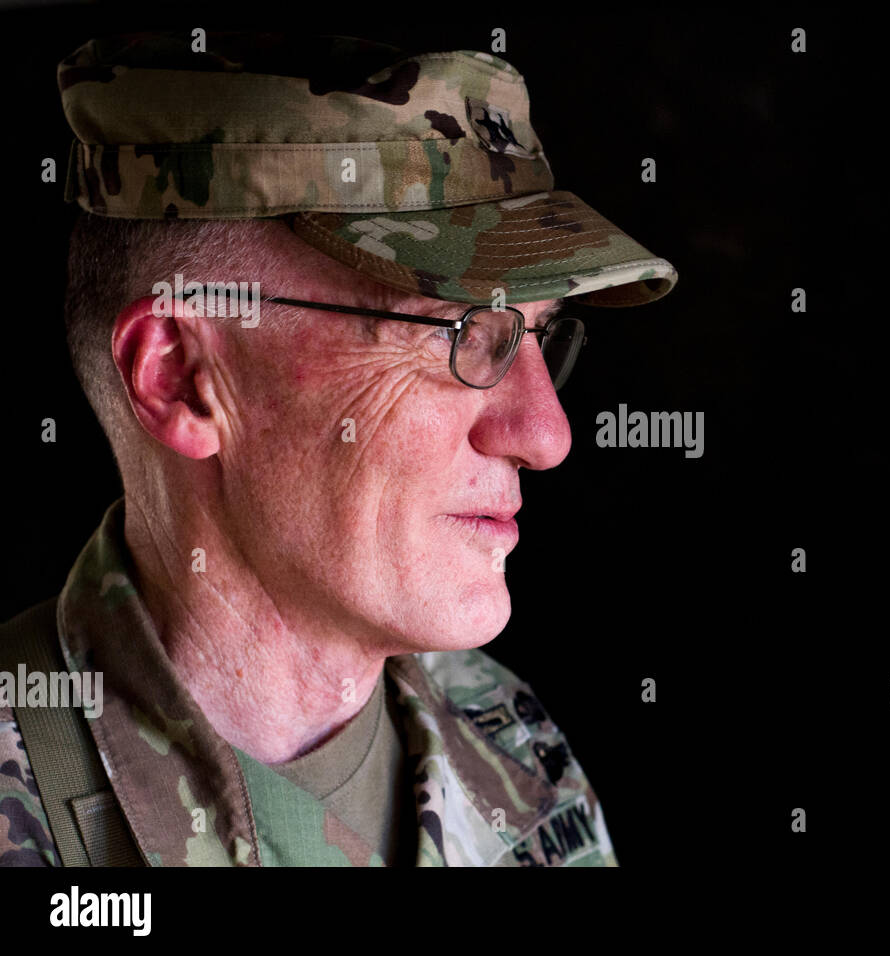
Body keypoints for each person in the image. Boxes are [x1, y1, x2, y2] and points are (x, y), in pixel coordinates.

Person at [0, 30, 676, 867]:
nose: (547, 434)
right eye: (459, 334)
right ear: (181, 378)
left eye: (535, 337)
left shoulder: (509, 737)